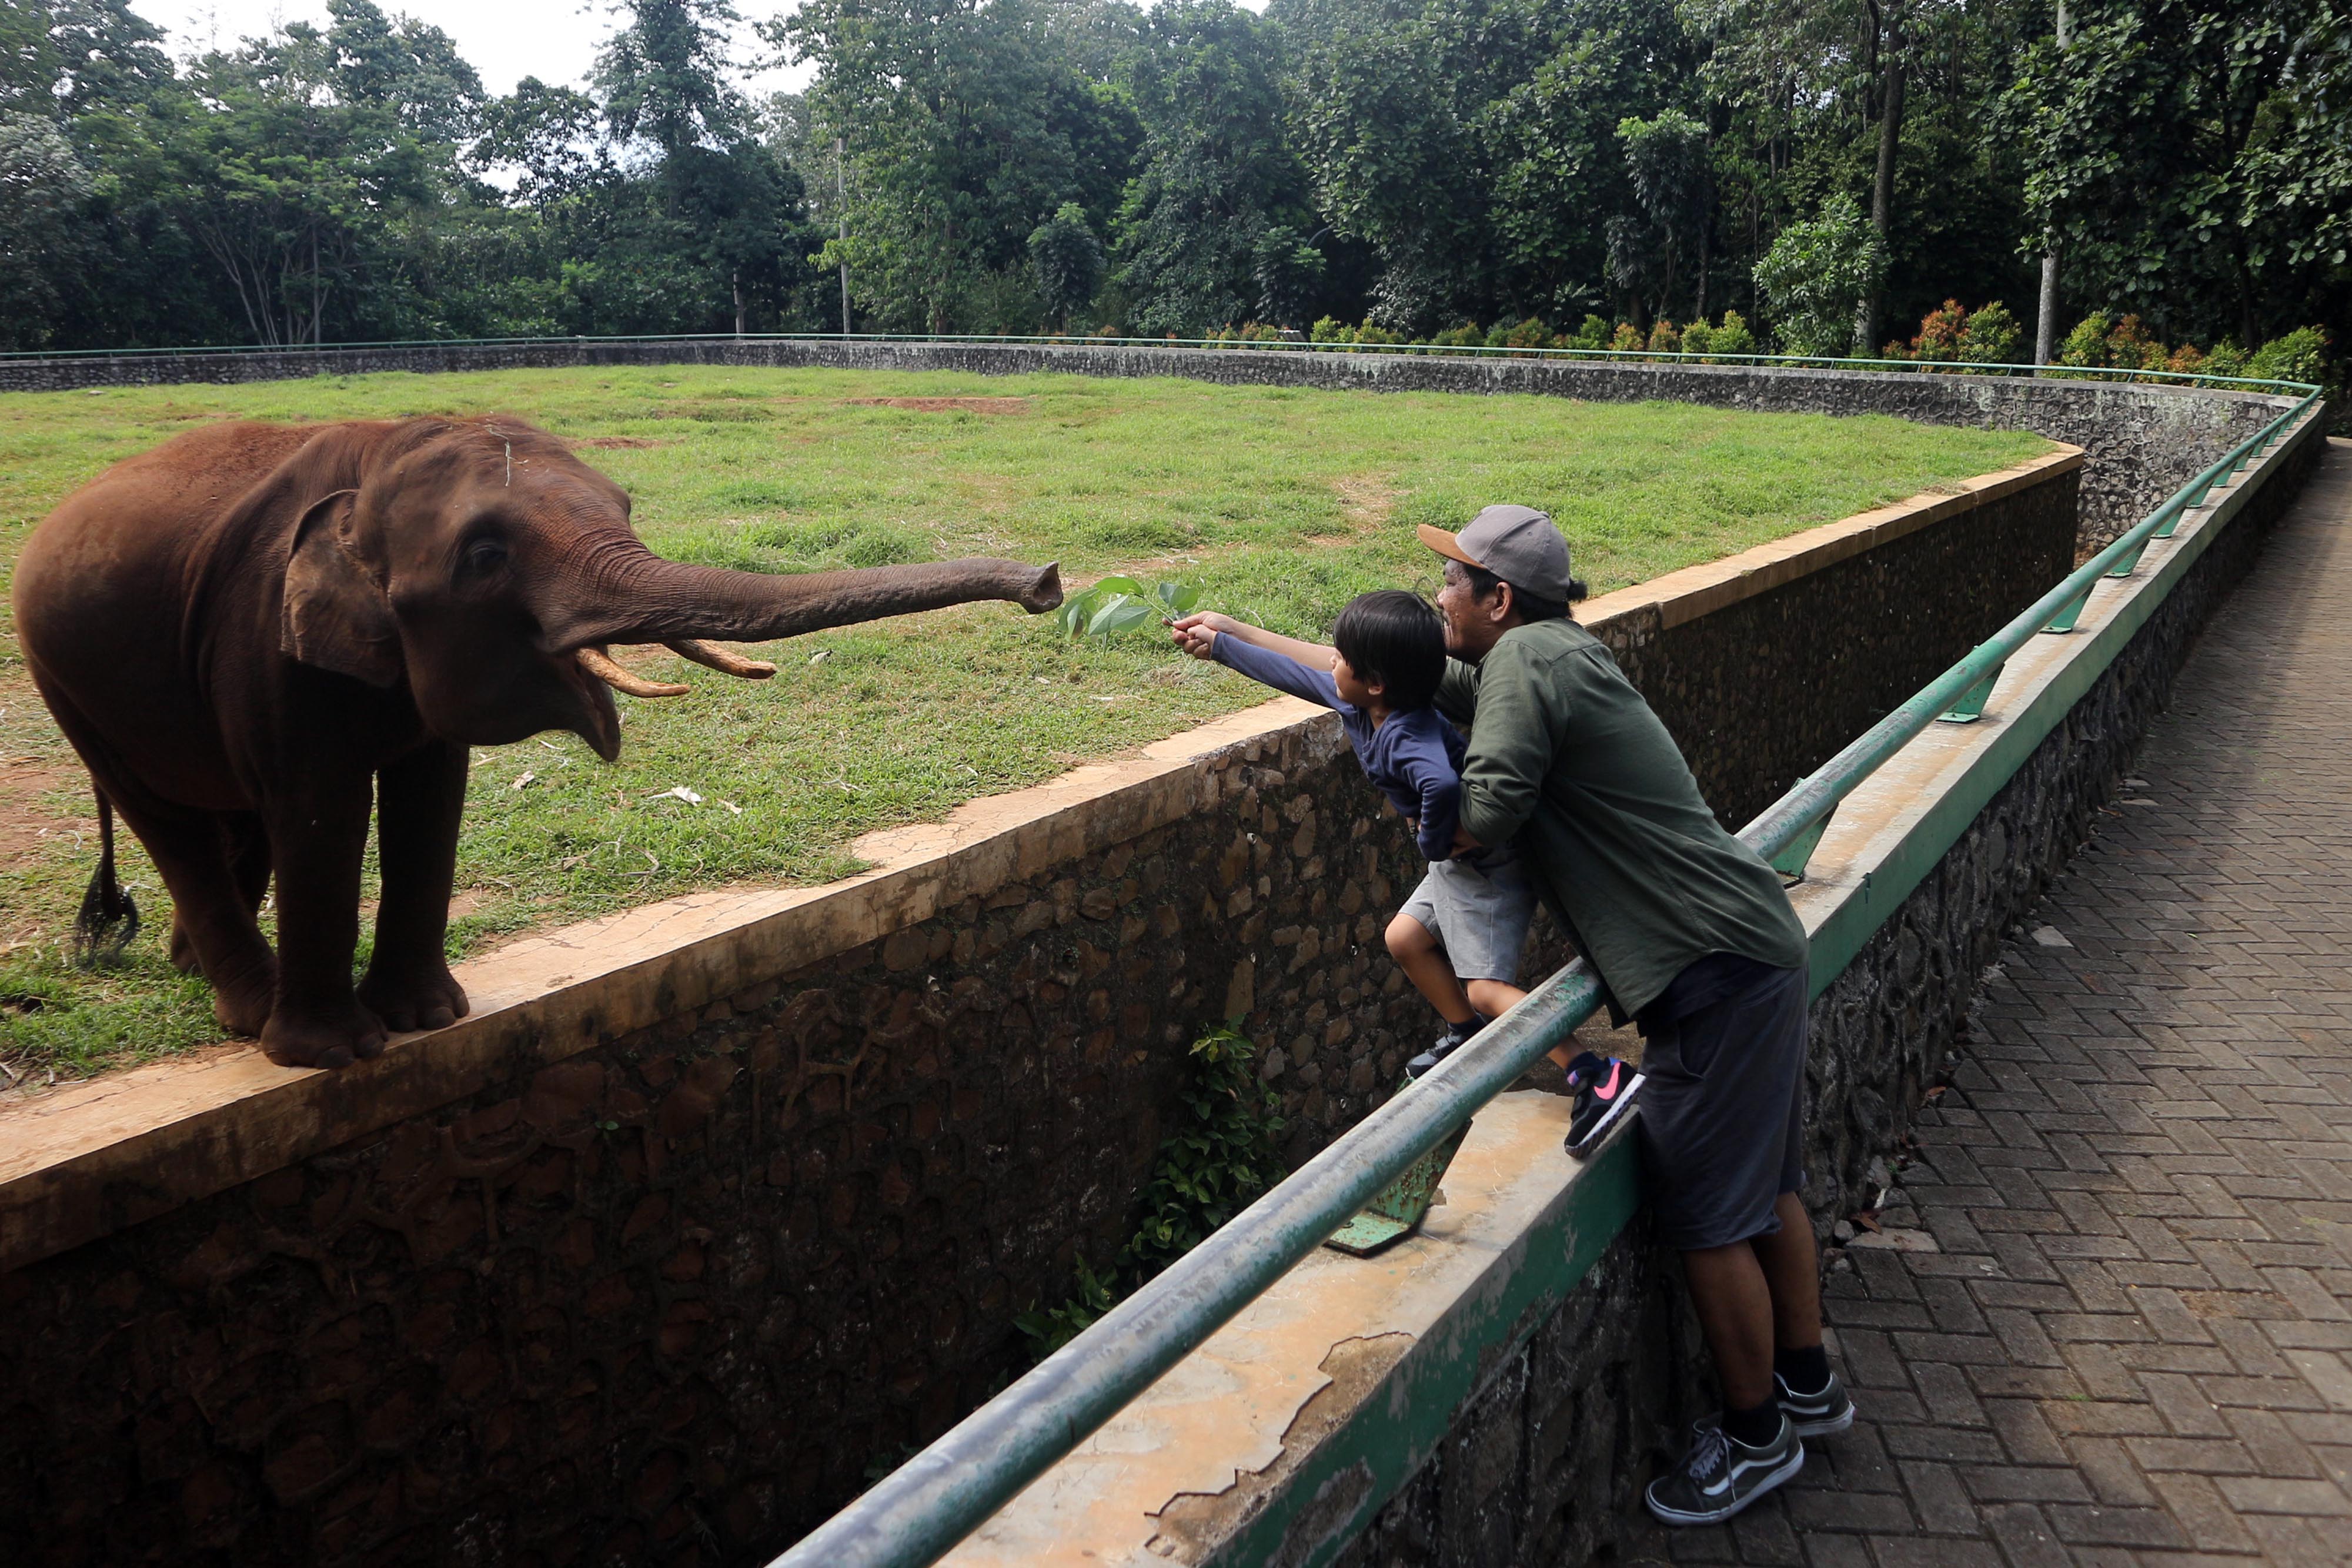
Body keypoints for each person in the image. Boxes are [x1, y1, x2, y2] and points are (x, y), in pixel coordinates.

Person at [1419, 503, 1850, 1524]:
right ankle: (1808, 1382)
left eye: (1452, 580)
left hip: (1706, 970)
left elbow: (1490, 809)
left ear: (1498, 598)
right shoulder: (1558, 653)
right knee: (1771, 1185)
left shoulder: (1523, 667)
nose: (1439, 591)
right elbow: (1404, 671)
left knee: (1709, 1219)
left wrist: (1421, 799)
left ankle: (1754, 1442)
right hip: (1749, 943)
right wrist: (1263, 647)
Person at [1168, 590, 1536, 1073]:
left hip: (1484, 864)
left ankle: (1585, 1066)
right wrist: (1222, 643)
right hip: (1458, 859)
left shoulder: (1408, 732)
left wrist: (1431, 842)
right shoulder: (1358, 706)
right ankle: (1467, 1034)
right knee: (1405, 939)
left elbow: (1441, 783)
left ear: (1377, 682)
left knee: (1486, 989)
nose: (1332, 661)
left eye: (1340, 657)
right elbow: (1292, 672)